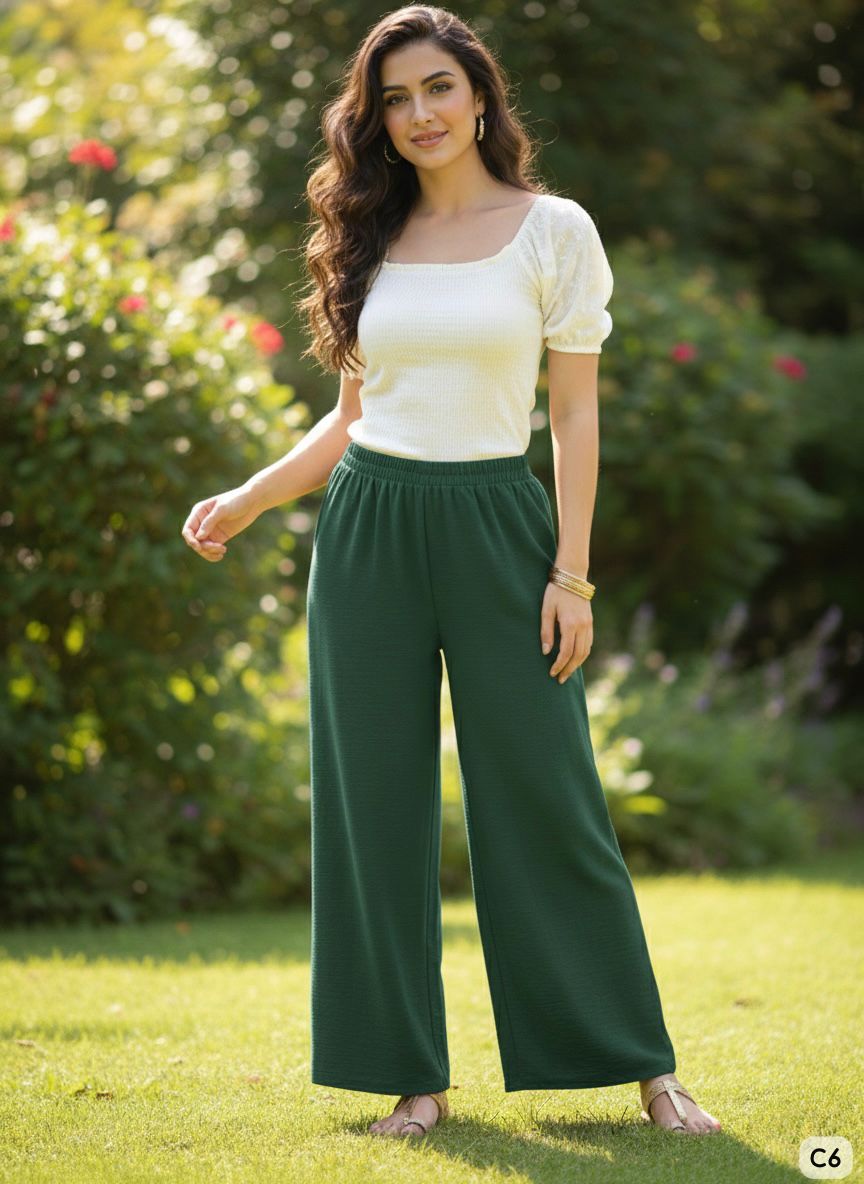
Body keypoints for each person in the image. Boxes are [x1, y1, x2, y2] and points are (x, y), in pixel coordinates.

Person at [181, 3, 722, 1141]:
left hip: (498, 525)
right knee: (371, 806)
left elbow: (573, 416)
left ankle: (644, 1066)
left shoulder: (553, 230)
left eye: (437, 87)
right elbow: (351, 417)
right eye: (395, 98)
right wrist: (249, 497)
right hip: (369, 529)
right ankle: (409, 1077)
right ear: (375, 119)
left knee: (548, 796)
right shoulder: (370, 237)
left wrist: (572, 575)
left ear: (479, 95)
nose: (419, 113)